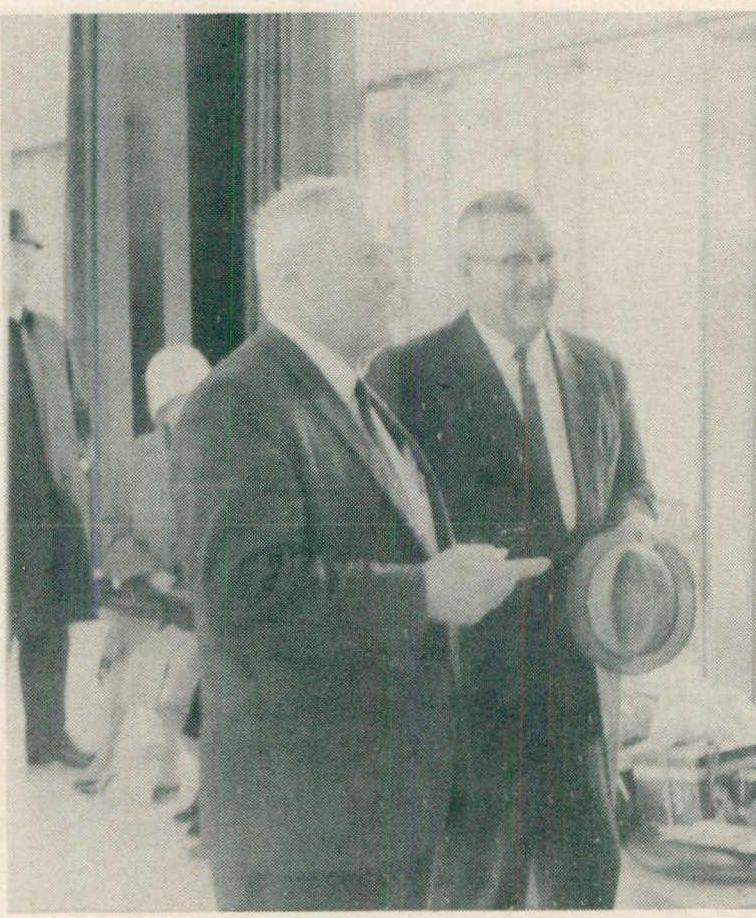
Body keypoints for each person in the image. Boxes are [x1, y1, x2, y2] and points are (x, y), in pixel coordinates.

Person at [171, 177, 549, 911]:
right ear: (291, 279)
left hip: (374, 819)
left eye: (390, 256)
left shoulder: (353, 394)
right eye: (369, 258)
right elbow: (243, 596)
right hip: (305, 837)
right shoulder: (237, 403)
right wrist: (426, 591)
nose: (392, 276)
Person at [368, 190, 656, 909]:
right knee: (474, 893)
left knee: (587, 888)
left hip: (581, 696)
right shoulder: (405, 376)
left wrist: (636, 527)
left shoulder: (599, 367)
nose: (538, 278)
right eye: (513, 262)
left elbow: (633, 485)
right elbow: (381, 539)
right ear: (465, 272)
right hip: (469, 704)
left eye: (546, 257)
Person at [76, 344, 211, 799]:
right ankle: (105, 755)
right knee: (118, 654)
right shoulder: (134, 459)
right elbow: (111, 532)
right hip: (147, 589)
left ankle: (172, 769)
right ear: (159, 411)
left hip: (196, 596)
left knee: (176, 682)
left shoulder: (223, 457)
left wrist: (190, 583)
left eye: (192, 403)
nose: (183, 417)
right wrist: (150, 574)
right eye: (174, 406)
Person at [7, 208, 97, 770]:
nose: (21, 266)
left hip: (48, 510)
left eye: (26, 256)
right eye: (11, 255)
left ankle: (47, 739)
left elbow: (78, 413)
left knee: (48, 626)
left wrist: (78, 458)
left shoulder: (50, 334)